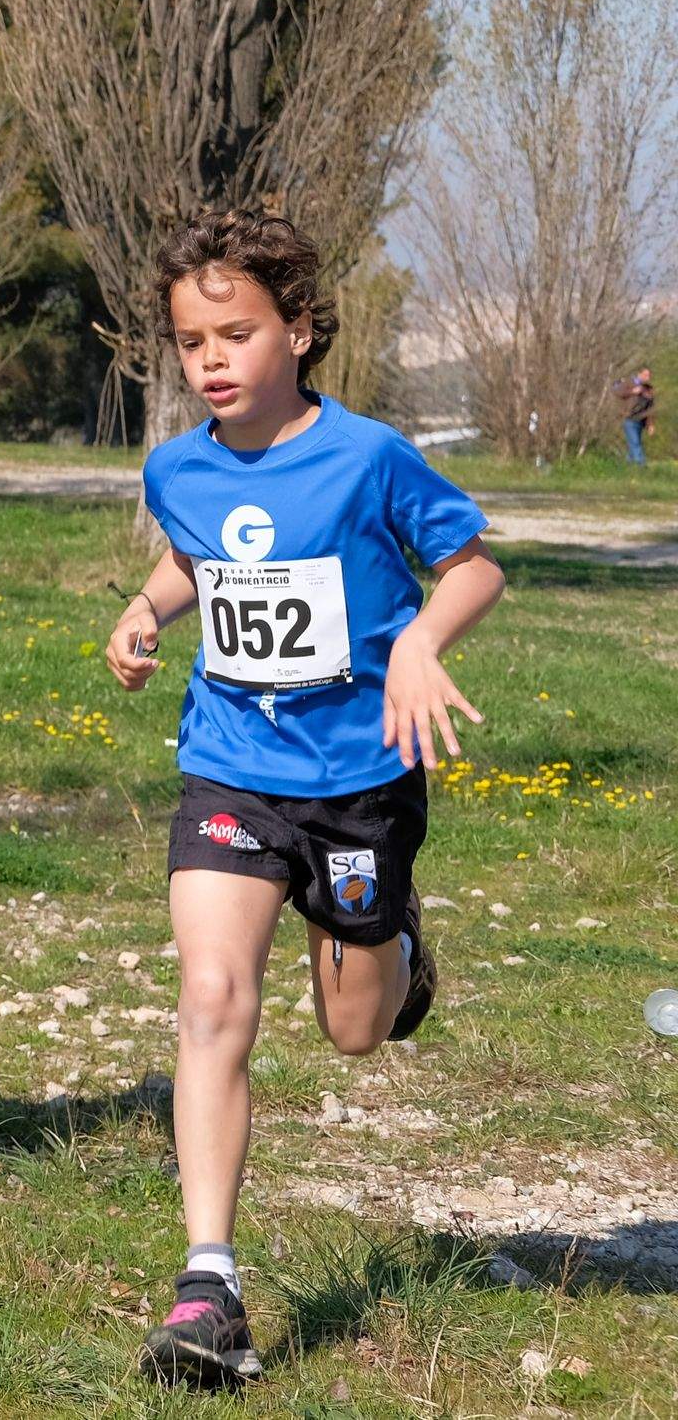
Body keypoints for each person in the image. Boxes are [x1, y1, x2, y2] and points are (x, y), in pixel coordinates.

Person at [107, 206, 506, 1389]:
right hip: (230, 765)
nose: (210, 361)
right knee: (212, 994)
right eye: (189, 343)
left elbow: (472, 560)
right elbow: (192, 553)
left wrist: (421, 643)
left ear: (298, 328)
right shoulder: (174, 465)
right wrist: (146, 612)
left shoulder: (368, 455)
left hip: (358, 782)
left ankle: (387, 932)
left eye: (233, 333)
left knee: (352, 1032)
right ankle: (207, 1282)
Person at [620, 366, 655, 466]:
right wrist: (632, 392)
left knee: (634, 444)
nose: (648, 377)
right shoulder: (628, 383)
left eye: (649, 375)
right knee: (635, 443)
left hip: (641, 421)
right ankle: (642, 466)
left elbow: (651, 408)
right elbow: (617, 392)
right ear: (639, 374)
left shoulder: (648, 389)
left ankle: (628, 467)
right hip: (629, 419)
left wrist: (650, 424)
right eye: (645, 375)